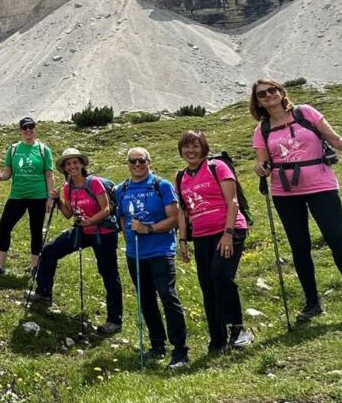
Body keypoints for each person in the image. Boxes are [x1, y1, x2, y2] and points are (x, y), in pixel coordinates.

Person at [250, 78, 342, 321]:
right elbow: (263, 162)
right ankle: (312, 303)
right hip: (285, 192)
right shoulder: (262, 130)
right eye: (262, 94)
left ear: (282, 92)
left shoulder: (306, 113)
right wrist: (260, 169)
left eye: (273, 90)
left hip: (321, 186)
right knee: (299, 246)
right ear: (258, 101)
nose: (269, 95)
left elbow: (336, 142)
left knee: (337, 239)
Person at [27, 148, 123, 335]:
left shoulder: (94, 183)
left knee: (108, 273)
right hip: (83, 230)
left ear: (82, 164)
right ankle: (44, 293)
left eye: (75, 162)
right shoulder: (67, 187)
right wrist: (57, 201)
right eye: (68, 164)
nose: (72, 166)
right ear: (64, 168)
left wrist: (90, 221)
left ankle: (114, 320)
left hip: (103, 233)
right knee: (49, 251)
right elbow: (68, 214)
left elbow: (107, 210)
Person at [176, 131, 254, 354]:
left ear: (204, 148)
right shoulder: (181, 176)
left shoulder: (217, 167)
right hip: (201, 235)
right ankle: (217, 339)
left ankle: (239, 329)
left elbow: (233, 202)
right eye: (186, 147)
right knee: (207, 284)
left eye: (196, 146)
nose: (191, 151)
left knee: (220, 274)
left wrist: (228, 234)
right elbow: (183, 211)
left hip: (229, 229)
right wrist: (182, 240)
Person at [116, 146, 189, 369]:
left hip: (161, 251)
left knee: (167, 296)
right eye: (133, 162)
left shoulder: (161, 185)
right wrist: (129, 239)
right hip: (135, 253)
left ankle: (180, 351)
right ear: (128, 164)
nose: (137, 166)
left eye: (141, 161)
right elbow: (122, 219)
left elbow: (175, 218)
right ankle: (157, 345)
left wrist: (149, 229)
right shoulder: (122, 189)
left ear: (149, 162)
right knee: (146, 300)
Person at [0, 116, 55, 278]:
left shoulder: (44, 150)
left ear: (35, 129)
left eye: (31, 127)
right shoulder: (14, 149)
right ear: (21, 130)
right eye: (25, 128)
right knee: (4, 227)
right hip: (17, 195)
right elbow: (8, 172)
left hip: (39, 196)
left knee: (36, 231)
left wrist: (50, 196)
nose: (28, 130)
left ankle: (35, 267)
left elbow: (49, 175)